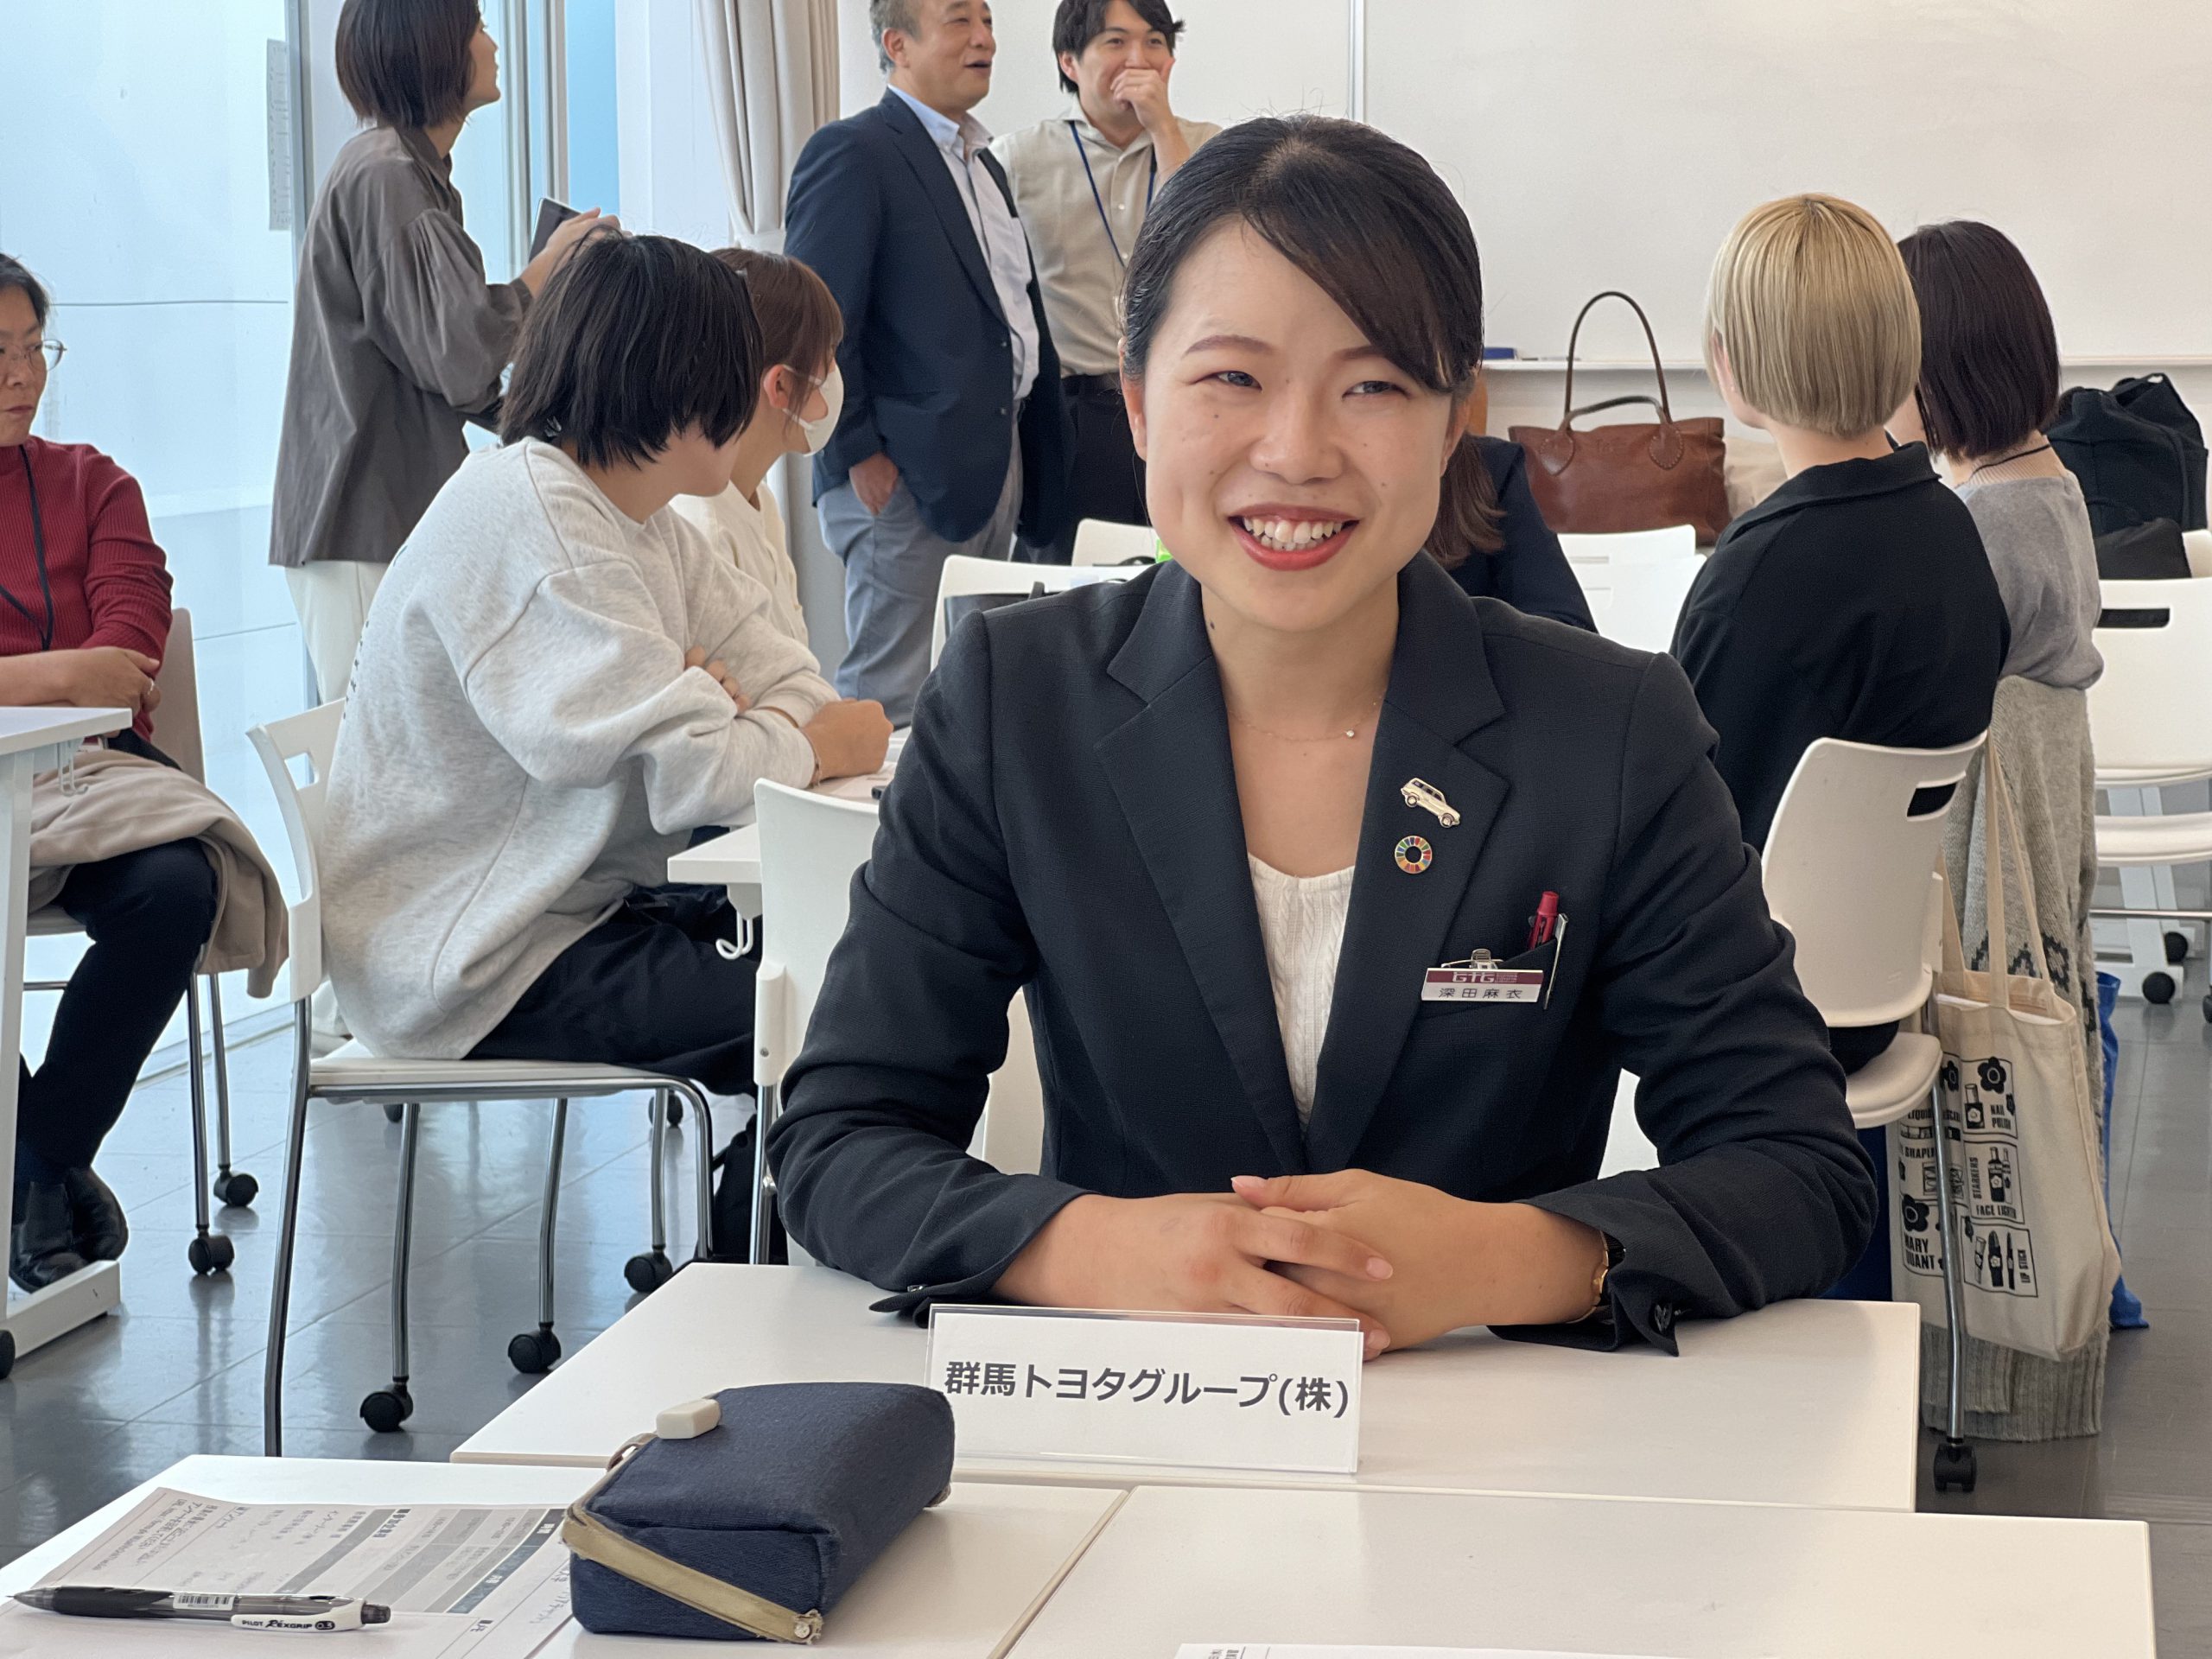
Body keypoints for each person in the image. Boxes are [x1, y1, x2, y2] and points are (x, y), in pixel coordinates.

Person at [768, 118, 1875, 1358]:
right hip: (1138, 1414)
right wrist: (1101, 1251)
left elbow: (1798, 1164)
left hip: (1496, 1428)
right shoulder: (1012, 701)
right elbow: (841, 1138)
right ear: (1137, 406)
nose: (1296, 452)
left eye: (1375, 386)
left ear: (1456, 424)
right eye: (1231, 379)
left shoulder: (1609, 730)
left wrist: (1498, 1260)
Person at [319, 234, 890, 1092]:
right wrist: (797, 743)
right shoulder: (540, 526)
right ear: (680, 378)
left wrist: (727, 714)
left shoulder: (637, 519)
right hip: (472, 959)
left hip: (567, 905)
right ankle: (768, 1186)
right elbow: (700, 773)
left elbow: (792, 683)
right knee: (836, 1007)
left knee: (868, 951)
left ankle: (769, 1181)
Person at [270, 0, 609, 704]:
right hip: (362, 518)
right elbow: (461, 355)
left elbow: (449, 365)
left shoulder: (406, 173)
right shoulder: (386, 175)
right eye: (477, 26)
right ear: (432, 47)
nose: (492, 43)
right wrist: (545, 272)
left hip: (382, 515)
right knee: (374, 739)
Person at [0, 256, 220, 1288]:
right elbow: (89, 666)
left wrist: (57, 678)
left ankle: (40, 1163)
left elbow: (128, 657)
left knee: (178, 884)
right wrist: (60, 670)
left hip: (93, 779)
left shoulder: (96, 483)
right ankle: (39, 1179)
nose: (22, 375)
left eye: (33, 348)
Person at [1672, 194, 2009, 861]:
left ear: (1729, 359)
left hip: (1754, 924)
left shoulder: (1758, 580)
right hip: (1891, 921)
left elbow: (1685, 816)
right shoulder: (1953, 530)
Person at [785, 0, 1073, 724]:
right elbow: (817, 316)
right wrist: (857, 451)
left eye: (988, 22)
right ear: (898, 44)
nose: (984, 39)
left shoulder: (983, 163)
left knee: (975, 691)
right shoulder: (855, 151)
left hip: (991, 458)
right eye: (958, 21)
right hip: (901, 474)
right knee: (891, 698)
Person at [992, 0, 1219, 563]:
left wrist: (1163, 129)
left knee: (1184, 576)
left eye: (1155, 42)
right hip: (1070, 414)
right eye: (1116, 42)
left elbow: (1208, 252)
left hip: (1183, 406)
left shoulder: (1210, 149)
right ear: (1069, 61)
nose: (1138, 59)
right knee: (1067, 583)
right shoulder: (1017, 159)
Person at [1892, 220, 2101, 695]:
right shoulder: (2056, 481)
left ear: (1937, 366)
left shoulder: (1978, 521)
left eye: (1886, 353)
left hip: (1993, 744)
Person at [668, 249, 842, 647]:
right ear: (780, 385)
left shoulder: (760, 501)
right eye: (828, 358)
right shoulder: (704, 530)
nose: (835, 376)